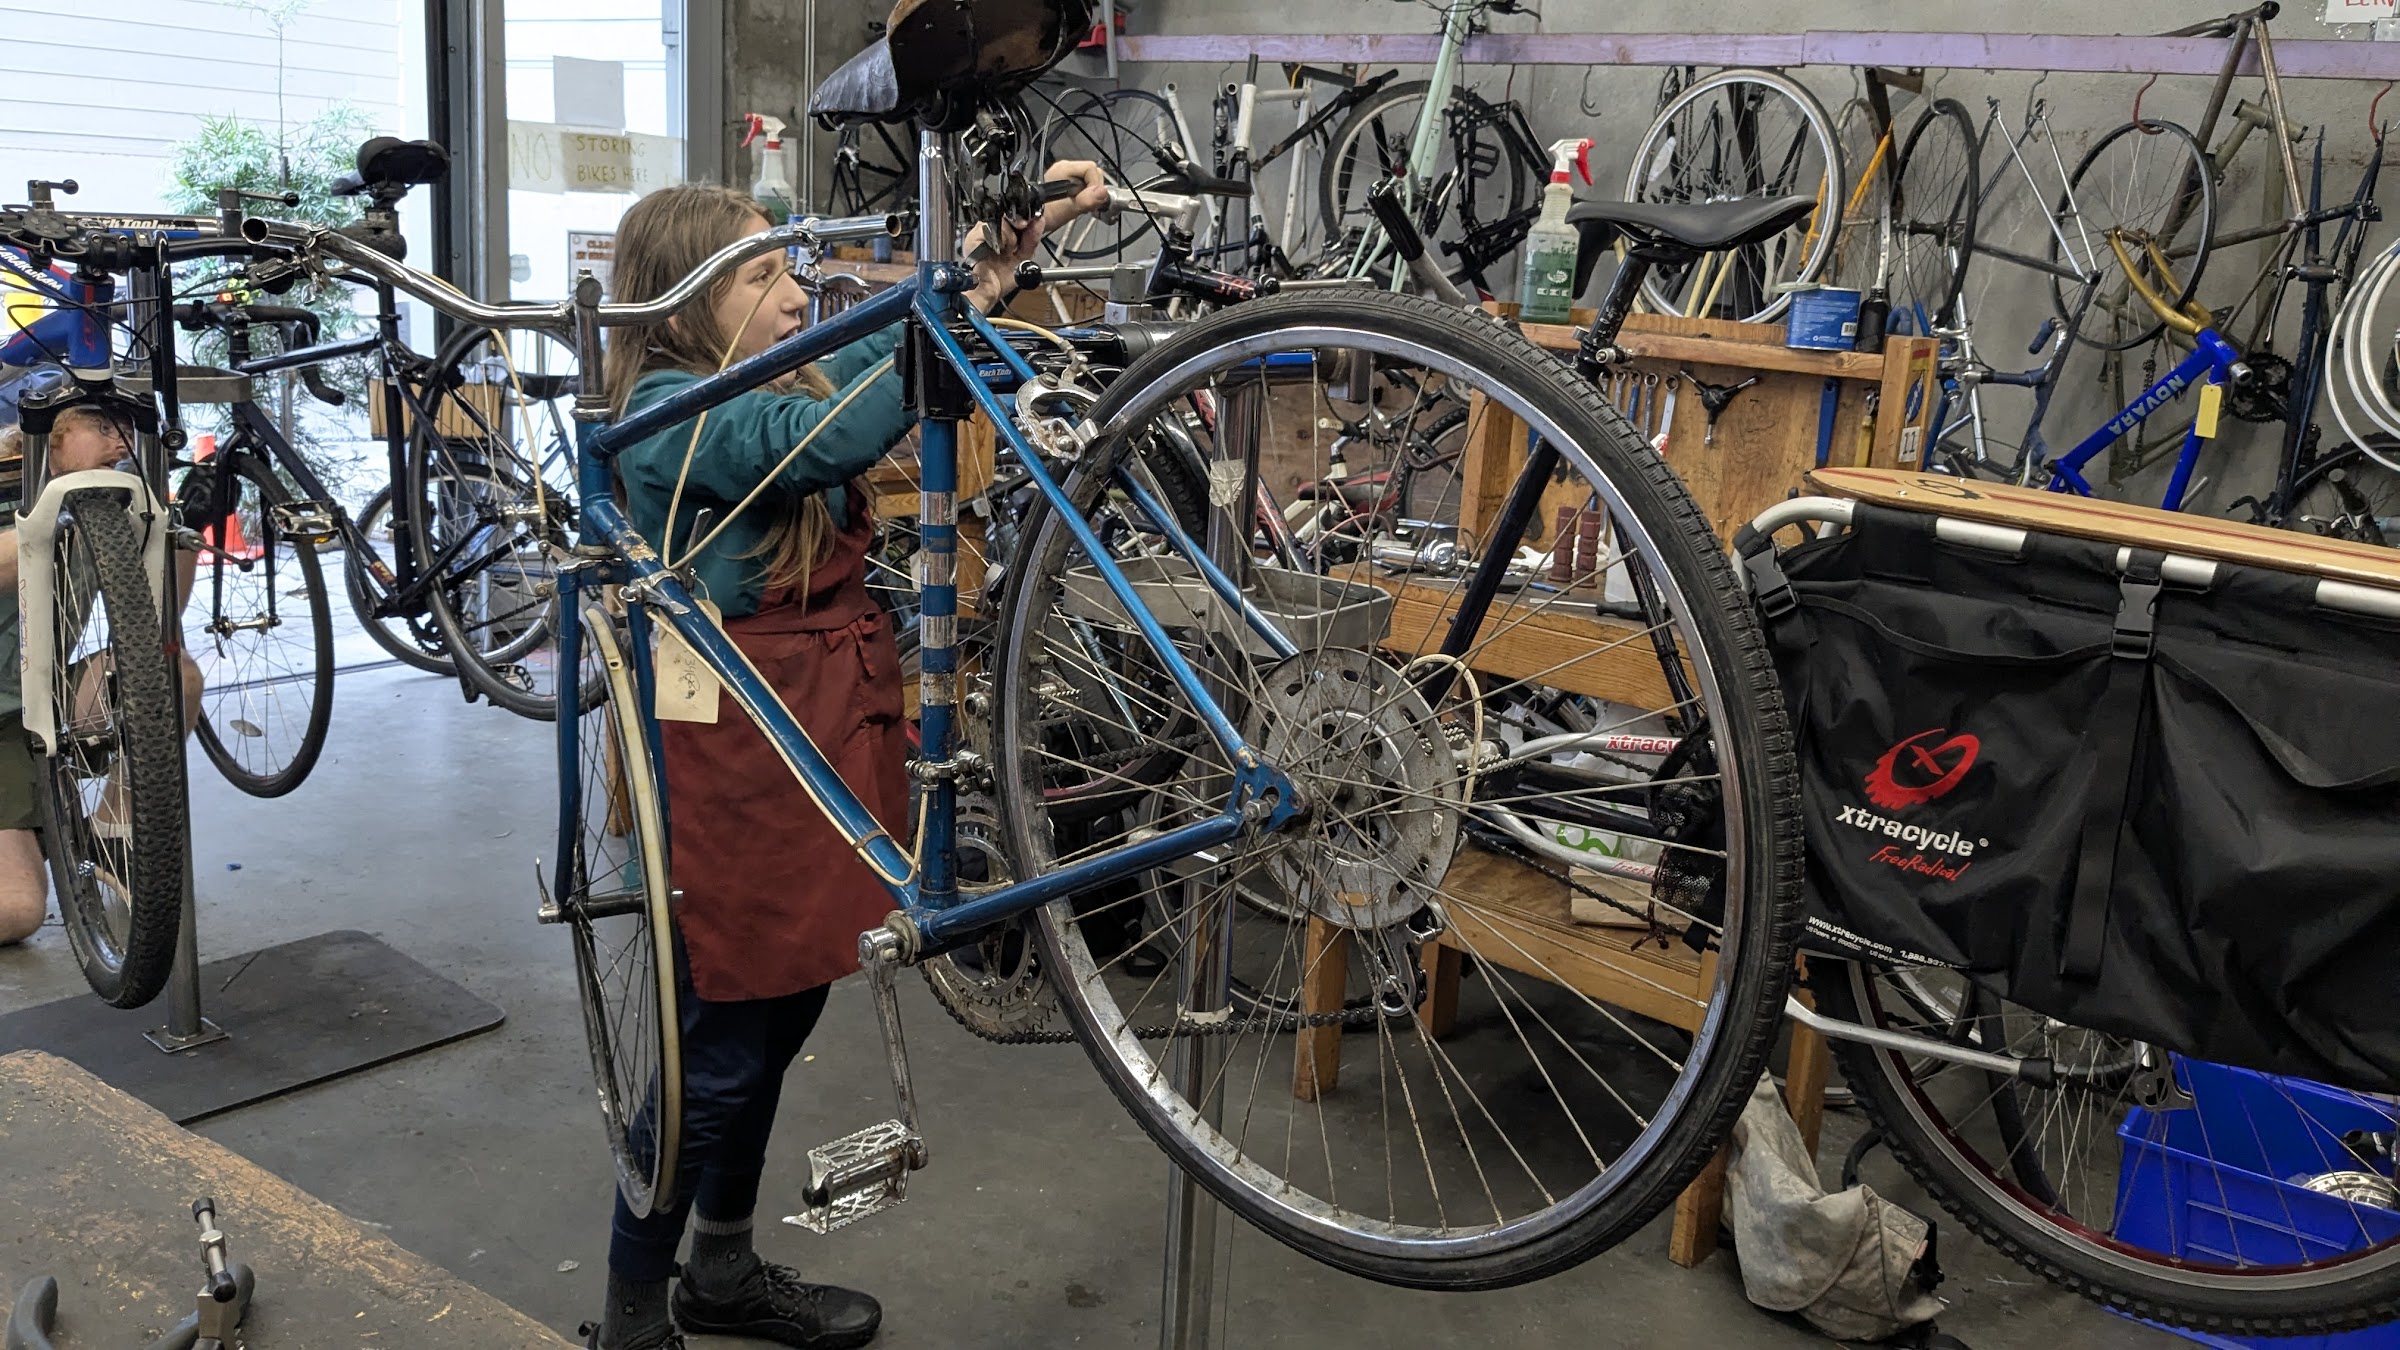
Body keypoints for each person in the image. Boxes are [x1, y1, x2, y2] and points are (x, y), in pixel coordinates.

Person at [591, 163, 1108, 1350]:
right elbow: (812, 441)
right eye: (760, 278)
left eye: (789, 269)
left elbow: (863, 369)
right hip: (735, 752)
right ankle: (629, 1313)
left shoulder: (775, 373)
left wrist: (982, 276)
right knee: (718, 1047)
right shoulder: (667, 411)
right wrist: (938, 316)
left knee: (784, 1018)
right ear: (682, 301)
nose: (793, 295)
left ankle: (721, 1269)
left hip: (819, 719)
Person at [0, 403, 143, 944]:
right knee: (18, 912)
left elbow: (159, 624)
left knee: (172, 673)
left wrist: (176, 532)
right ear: (53, 434)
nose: (121, 444)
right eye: (104, 428)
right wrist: (53, 526)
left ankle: (111, 830)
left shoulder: (108, 508)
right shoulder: (9, 483)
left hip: (43, 698)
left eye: (128, 433)